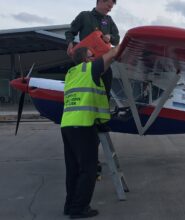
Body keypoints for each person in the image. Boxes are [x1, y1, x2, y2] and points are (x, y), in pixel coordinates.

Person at [61, 46, 119, 218]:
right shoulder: (90, 69)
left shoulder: (71, 73)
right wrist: (114, 43)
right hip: (83, 125)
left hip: (67, 125)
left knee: (73, 169)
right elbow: (114, 53)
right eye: (92, 55)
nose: (95, 57)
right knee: (89, 170)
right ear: (86, 59)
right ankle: (79, 209)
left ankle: (70, 206)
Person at [65, 0, 120, 98]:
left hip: (104, 63)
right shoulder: (84, 16)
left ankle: (103, 111)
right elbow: (70, 32)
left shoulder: (109, 20)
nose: (109, 10)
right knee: (85, 93)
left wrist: (110, 37)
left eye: (111, 8)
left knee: (105, 92)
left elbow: (117, 39)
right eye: (108, 6)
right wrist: (69, 42)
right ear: (100, 2)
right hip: (85, 63)